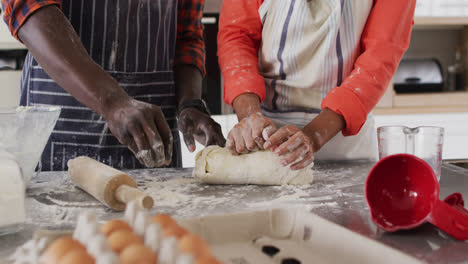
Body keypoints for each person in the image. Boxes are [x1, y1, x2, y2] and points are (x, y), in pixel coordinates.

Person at [1, 0, 225, 170]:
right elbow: (28, 10)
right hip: (63, 131)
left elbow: (186, 36)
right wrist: (112, 101)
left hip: (152, 139)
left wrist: (189, 103)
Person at [218, 0, 416, 170]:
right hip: (266, 139)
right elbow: (238, 35)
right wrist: (250, 117)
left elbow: (381, 54)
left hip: (344, 144)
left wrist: (314, 136)